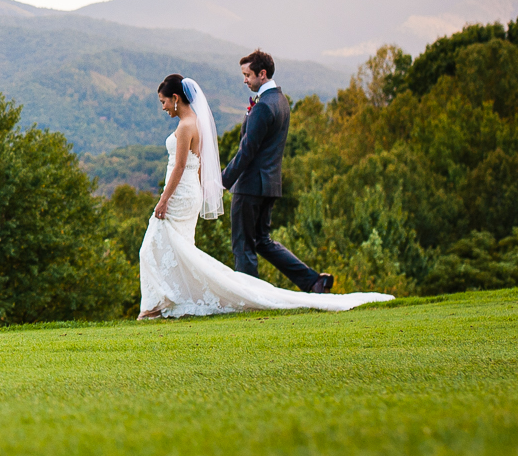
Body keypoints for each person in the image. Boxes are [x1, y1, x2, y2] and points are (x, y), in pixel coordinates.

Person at [137, 73, 392, 319]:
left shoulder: (185, 127)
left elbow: (181, 166)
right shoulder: (197, 123)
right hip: (191, 192)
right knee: (178, 249)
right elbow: (199, 162)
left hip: (187, 193)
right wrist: (204, 188)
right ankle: (165, 302)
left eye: (163, 102)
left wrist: (164, 199)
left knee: (153, 248)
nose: (163, 107)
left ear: (175, 98)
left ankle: (161, 303)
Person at [220, 49, 326, 292]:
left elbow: (247, 151)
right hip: (270, 185)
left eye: (247, 75)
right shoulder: (281, 101)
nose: (244, 80)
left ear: (262, 73)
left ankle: (251, 297)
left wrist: (223, 181)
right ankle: (313, 281)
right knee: (262, 241)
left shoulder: (263, 107)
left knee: (243, 245)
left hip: (250, 186)